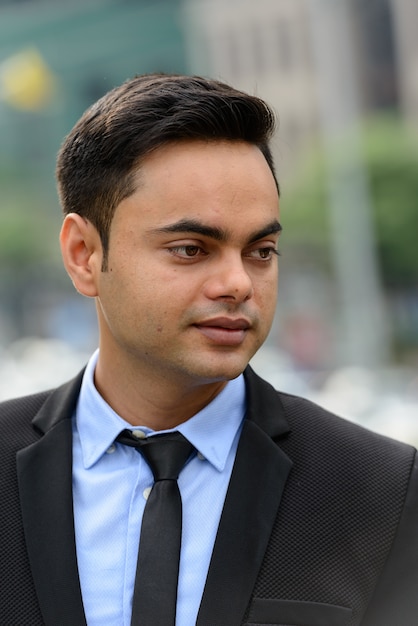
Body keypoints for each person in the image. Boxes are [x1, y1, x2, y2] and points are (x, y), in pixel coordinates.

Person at [1, 73, 417, 626]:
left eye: (261, 250)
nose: (238, 283)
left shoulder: (380, 489)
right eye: (191, 248)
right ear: (83, 254)